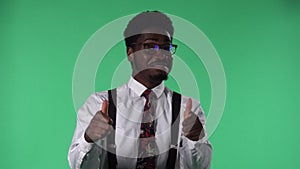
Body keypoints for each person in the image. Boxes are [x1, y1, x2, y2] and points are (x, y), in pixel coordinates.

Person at [68, 11, 212, 169]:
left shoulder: (187, 109)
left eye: (166, 47)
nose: (161, 54)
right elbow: (78, 166)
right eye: (150, 46)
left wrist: (196, 139)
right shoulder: (99, 104)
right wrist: (89, 139)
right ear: (130, 53)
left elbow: (200, 167)